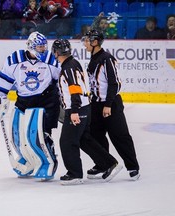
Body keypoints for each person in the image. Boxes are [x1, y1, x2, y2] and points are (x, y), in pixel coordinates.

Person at [0, 32, 60, 180]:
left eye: (44, 47)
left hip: (45, 102)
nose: (43, 50)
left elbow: (59, 81)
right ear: (30, 47)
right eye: (39, 47)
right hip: (23, 101)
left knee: (37, 136)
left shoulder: (51, 60)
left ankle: (47, 163)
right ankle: (28, 158)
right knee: (17, 135)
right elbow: (4, 81)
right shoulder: (15, 59)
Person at [51, 39, 122, 185]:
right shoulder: (73, 63)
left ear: (56, 53)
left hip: (77, 109)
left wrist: (74, 111)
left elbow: (75, 90)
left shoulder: (68, 67)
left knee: (67, 141)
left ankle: (75, 174)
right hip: (85, 107)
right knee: (84, 140)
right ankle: (109, 163)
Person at [81, 29, 140, 180]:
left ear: (95, 42)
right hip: (96, 104)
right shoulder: (93, 59)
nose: (85, 43)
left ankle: (133, 166)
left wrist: (108, 104)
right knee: (96, 135)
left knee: (120, 135)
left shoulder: (107, 59)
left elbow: (115, 84)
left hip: (111, 104)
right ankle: (103, 164)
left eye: (88, 40)